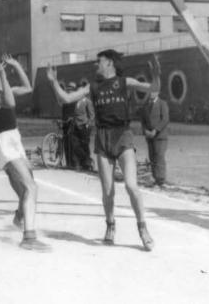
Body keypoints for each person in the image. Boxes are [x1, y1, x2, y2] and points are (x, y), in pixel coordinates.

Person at [47, 50, 160, 251]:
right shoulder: (93, 86)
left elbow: (153, 87)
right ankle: (110, 225)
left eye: (98, 62)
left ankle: (143, 229)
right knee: (108, 190)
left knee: (132, 186)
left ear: (109, 64)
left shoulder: (125, 82)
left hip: (123, 135)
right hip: (103, 137)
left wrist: (157, 74)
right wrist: (53, 82)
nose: (95, 65)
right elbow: (66, 98)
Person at [0, 54, 50, 252]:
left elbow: (29, 88)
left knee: (29, 183)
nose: (2, 66)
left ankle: (20, 217)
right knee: (30, 187)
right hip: (3, 142)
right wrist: (3, 75)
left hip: (14, 139)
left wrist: (17, 65)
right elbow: (10, 104)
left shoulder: (5, 87)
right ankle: (29, 237)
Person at [141, 91, 170, 187]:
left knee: (159, 156)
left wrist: (156, 130)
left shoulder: (162, 104)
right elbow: (143, 121)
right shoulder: (146, 105)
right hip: (149, 136)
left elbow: (165, 119)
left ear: (157, 93)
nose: (151, 94)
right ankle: (155, 178)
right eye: (150, 92)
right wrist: (145, 131)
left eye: (153, 92)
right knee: (152, 157)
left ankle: (161, 180)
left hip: (160, 136)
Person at [70, 78, 95, 171]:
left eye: (79, 91)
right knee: (75, 145)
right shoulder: (76, 102)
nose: (78, 92)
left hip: (84, 126)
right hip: (76, 125)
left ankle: (87, 163)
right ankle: (82, 161)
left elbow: (92, 115)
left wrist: (88, 124)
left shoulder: (87, 101)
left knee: (84, 145)